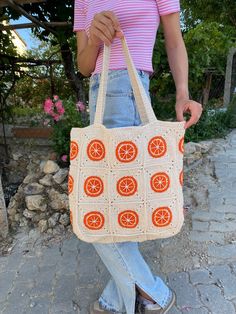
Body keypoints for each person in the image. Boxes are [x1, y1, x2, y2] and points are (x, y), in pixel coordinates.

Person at [73, 1, 202, 313]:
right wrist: (93, 37)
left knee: (102, 203)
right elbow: (84, 65)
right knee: (110, 202)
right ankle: (134, 295)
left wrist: (183, 93)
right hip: (100, 93)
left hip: (130, 89)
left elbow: (174, 38)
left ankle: (142, 294)